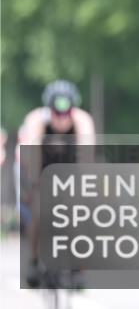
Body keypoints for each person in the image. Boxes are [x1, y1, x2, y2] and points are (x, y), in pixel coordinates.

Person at [18, 80, 96, 288]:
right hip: (42, 170)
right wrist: (35, 182)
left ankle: (79, 268)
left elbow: (86, 157)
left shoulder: (83, 122)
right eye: (56, 113)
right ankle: (34, 260)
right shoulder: (36, 121)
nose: (61, 120)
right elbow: (31, 154)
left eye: (66, 114)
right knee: (38, 212)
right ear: (48, 110)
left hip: (71, 171)